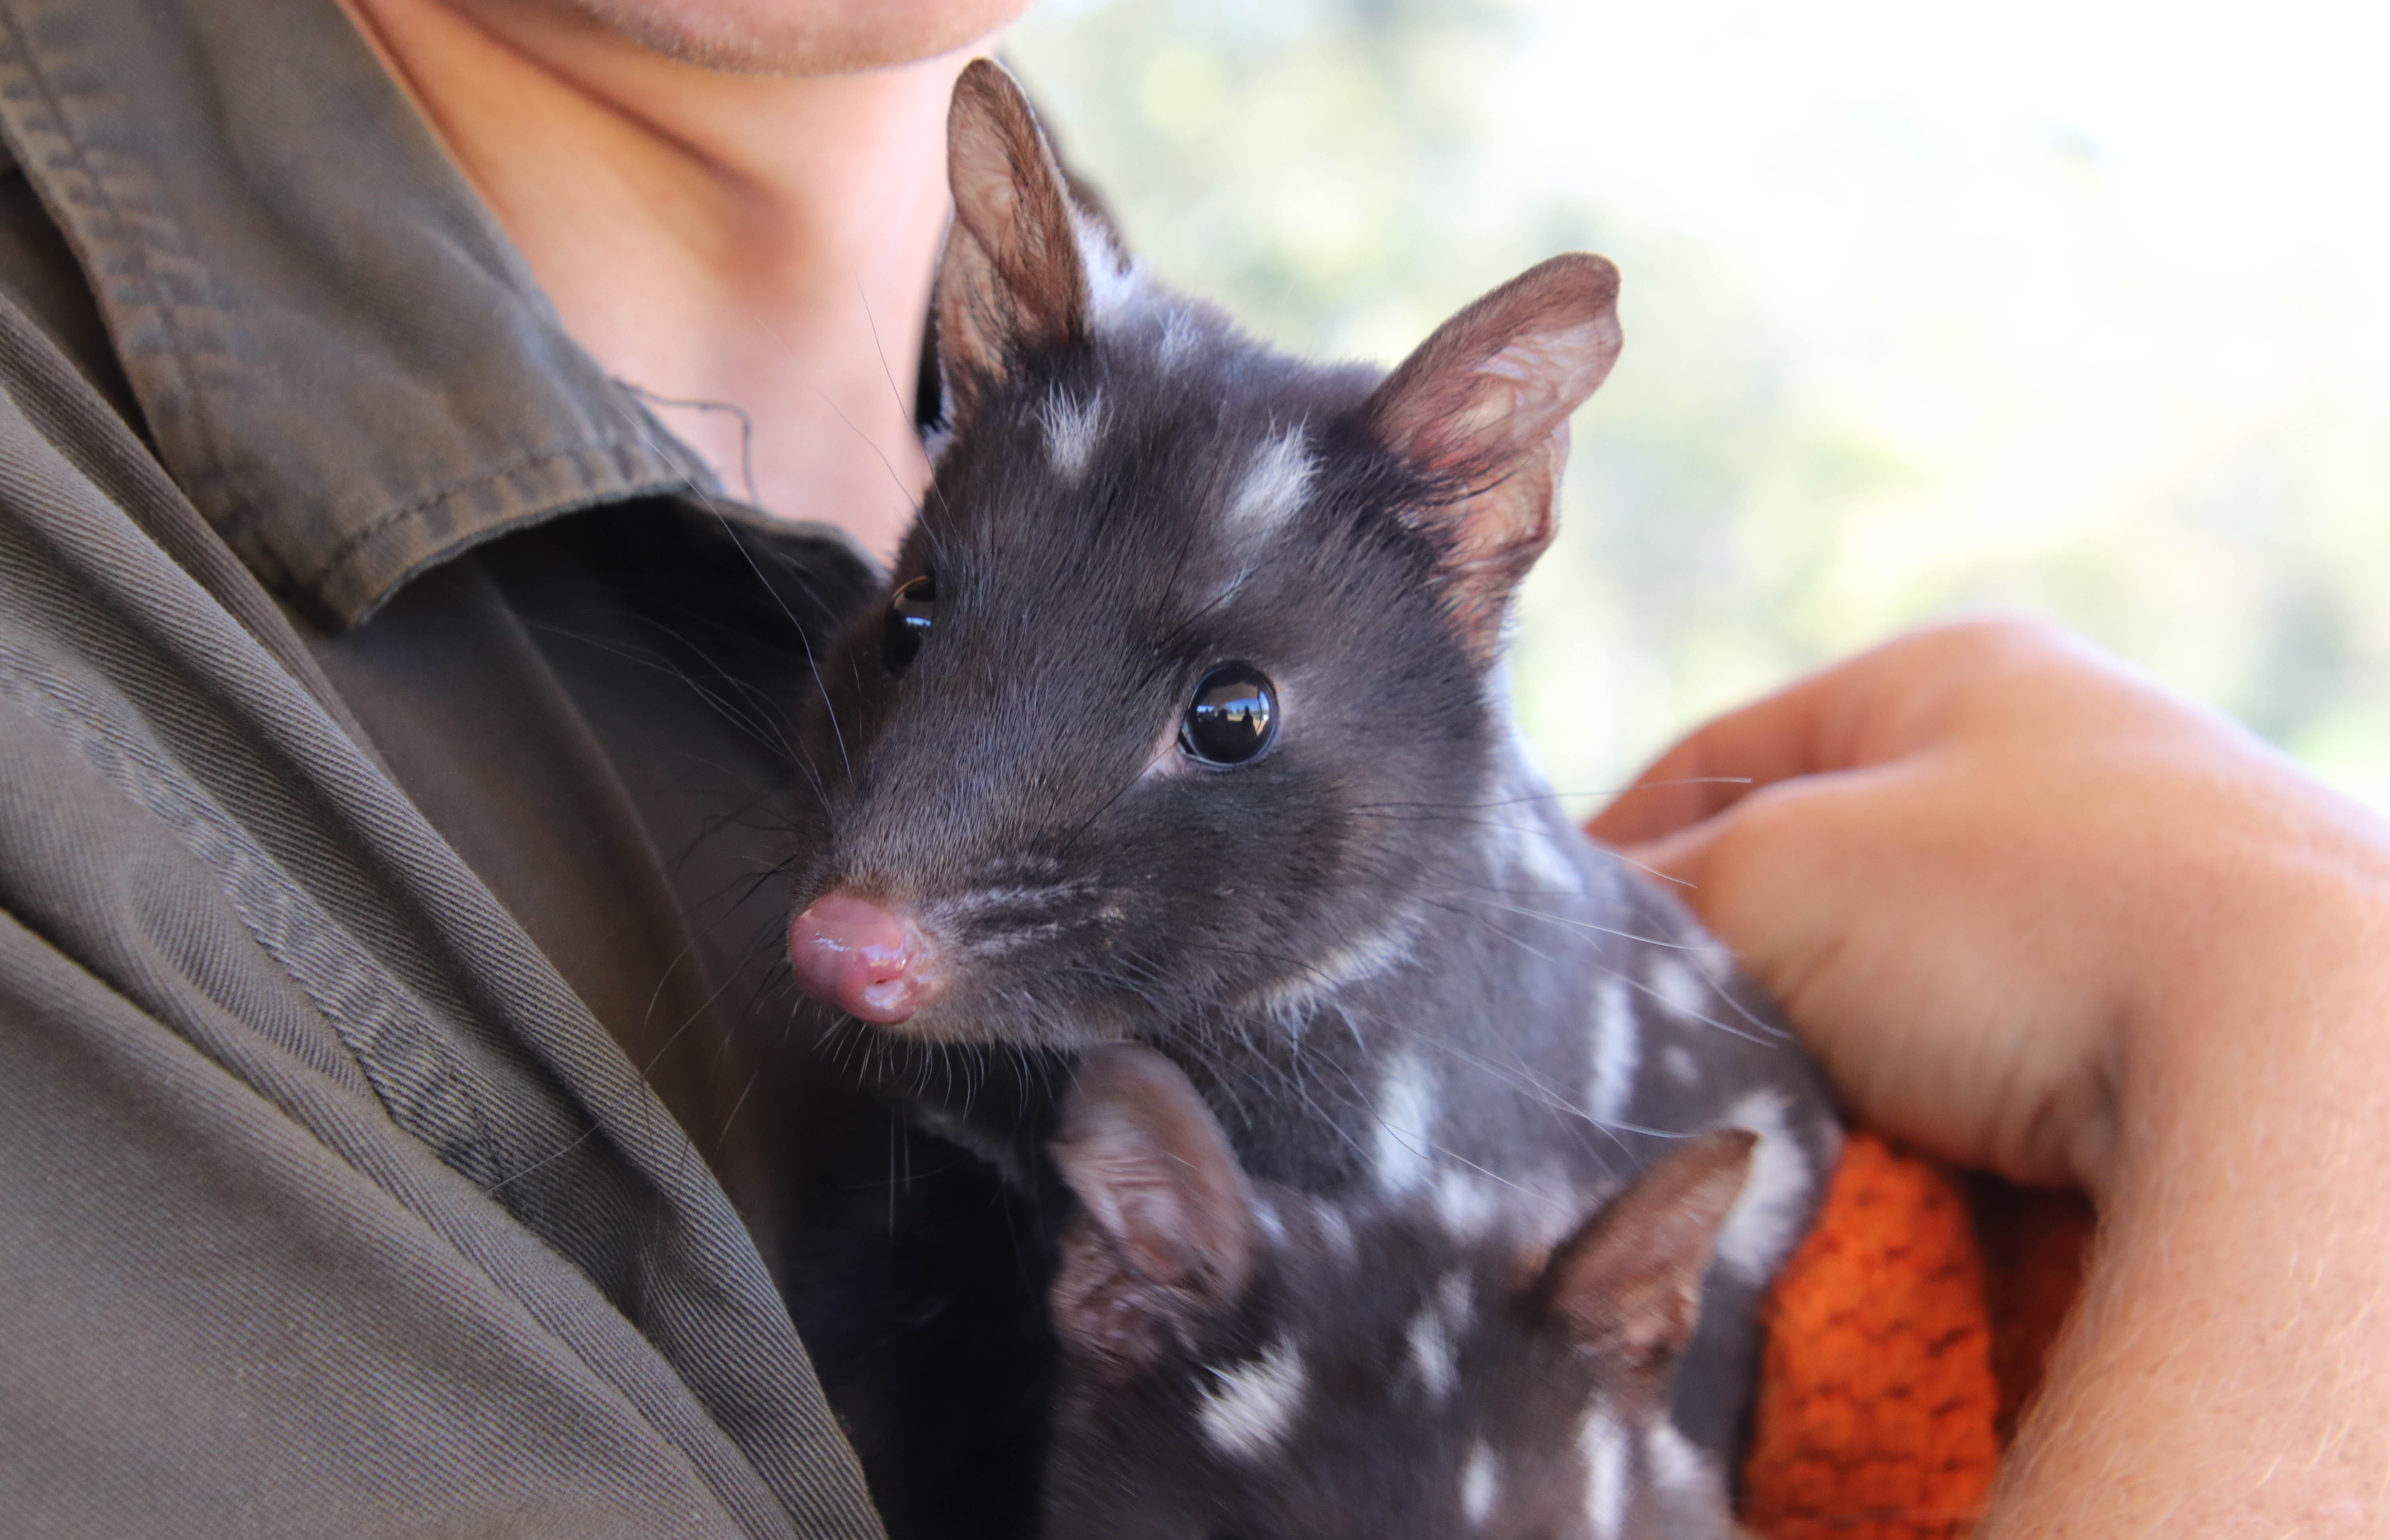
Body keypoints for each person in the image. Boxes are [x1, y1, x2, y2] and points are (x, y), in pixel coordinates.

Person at [0, 1, 2379, 1535]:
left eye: (1221, 723)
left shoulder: (1157, 445)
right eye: (915, 652)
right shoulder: (81, 626)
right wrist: (2322, 1111)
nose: (874, 889)